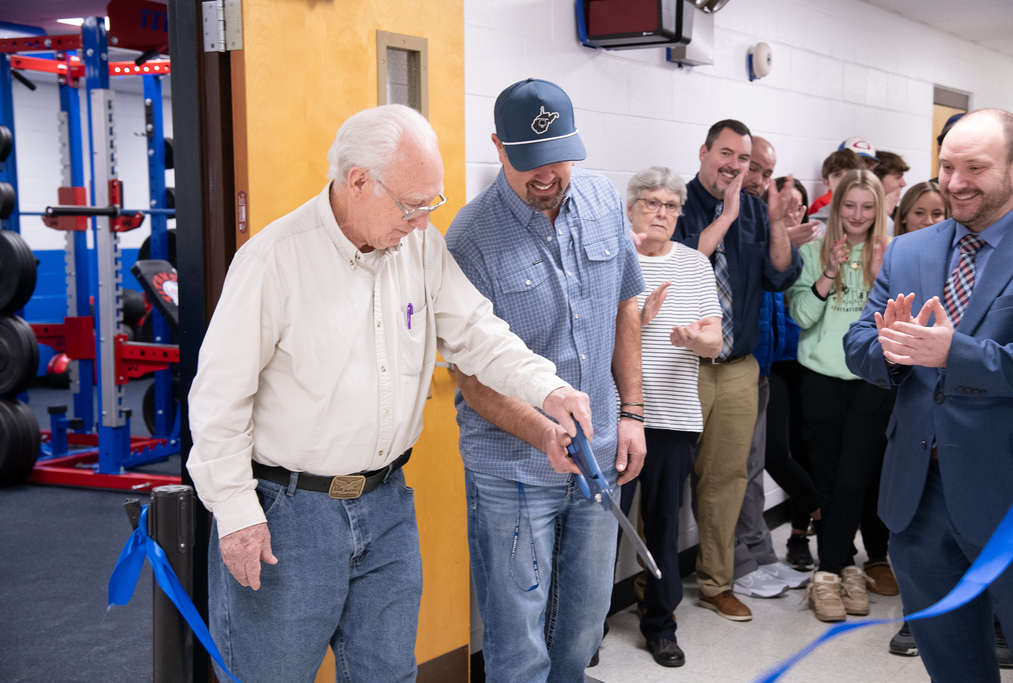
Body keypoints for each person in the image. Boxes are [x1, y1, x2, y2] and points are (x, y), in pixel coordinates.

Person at [186, 104, 595, 683]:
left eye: (434, 203)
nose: (424, 222)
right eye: (413, 205)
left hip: (385, 506)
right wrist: (234, 514)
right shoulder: (274, 261)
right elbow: (217, 401)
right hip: (287, 514)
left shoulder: (418, 248)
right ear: (358, 182)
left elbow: (478, 333)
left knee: (388, 674)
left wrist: (549, 390)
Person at [445, 78, 646, 683]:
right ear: (498, 147)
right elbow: (473, 380)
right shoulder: (469, 238)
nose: (546, 174)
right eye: (528, 160)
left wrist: (632, 414)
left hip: (601, 453)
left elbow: (626, 307)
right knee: (518, 635)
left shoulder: (603, 199)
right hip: (512, 469)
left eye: (557, 156)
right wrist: (543, 435)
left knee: (586, 621)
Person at [845, 108, 1013, 682]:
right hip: (918, 498)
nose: (955, 182)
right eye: (947, 166)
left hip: (1011, 496)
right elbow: (859, 342)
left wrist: (955, 353)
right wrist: (892, 350)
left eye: (975, 167)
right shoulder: (910, 250)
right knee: (952, 665)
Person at [671, 119, 805, 621]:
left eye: (743, 159)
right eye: (726, 153)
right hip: (683, 366)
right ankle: (652, 586)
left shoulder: (754, 209)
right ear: (704, 151)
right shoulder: (674, 203)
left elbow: (777, 276)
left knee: (727, 480)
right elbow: (678, 268)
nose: (734, 165)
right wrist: (724, 217)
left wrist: (774, 223)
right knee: (666, 481)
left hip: (738, 367)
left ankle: (716, 583)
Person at [618, 166, 722, 667]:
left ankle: (660, 624)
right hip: (618, 417)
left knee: (662, 524)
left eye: (671, 206)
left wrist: (692, 340)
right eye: (652, 202)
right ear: (632, 206)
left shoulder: (696, 265)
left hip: (674, 417)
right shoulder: (616, 260)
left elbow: (714, 340)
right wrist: (639, 322)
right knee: (602, 526)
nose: (662, 213)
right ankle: (585, 624)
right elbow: (594, 339)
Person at [788, 170, 894, 622]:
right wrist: (829, 272)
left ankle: (828, 570)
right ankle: (843, 565)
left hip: (872, 381)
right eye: (849, 206)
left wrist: (878, 273)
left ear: (878, 210)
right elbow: (802, 314)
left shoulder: (890, 253)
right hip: (821, 380)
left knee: (855, 478)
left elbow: (897, 322)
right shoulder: (813, 251)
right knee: (829, 480)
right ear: (836, 207)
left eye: (867, 207)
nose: (857, 215)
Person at [762, 176, 822, 574]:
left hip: (810, 362)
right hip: (775, 364)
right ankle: (825, 511)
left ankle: (799, 536)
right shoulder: (763, 246)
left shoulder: (815, 250)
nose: (791, 210)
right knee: (776, 454)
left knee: (807, 449)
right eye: (784, 202)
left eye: (798, 204)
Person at [808, 149, 869, 225]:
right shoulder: (815, 225)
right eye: (837, 174)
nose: (845, 179)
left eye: (851, 173)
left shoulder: (878, 221)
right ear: (827, 183)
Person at [873, 150, 909, 220]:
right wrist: (884, 216)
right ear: (877, 179)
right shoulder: (859, 214)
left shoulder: (899, 215)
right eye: (898, 177)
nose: (903, 184)